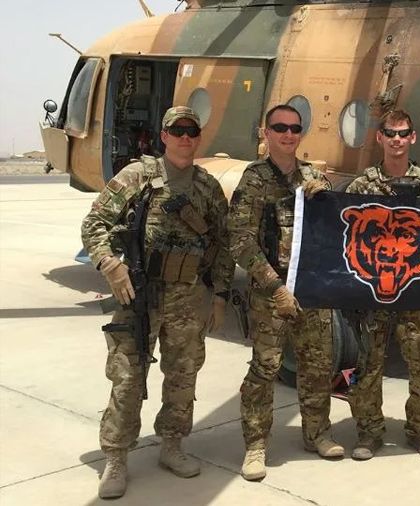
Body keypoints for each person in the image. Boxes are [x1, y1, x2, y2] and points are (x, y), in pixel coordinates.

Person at [82, 106, 234, 499]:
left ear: (199, 137)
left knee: (182, 377)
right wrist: (111, 267)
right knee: (128, 378)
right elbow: (93, 223)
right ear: (163, 136)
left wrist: (218, 296)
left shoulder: (207, 187)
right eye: (177, 130)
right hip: (140, 293)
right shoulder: (137, 177)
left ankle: (172, 445)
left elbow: (223, 245)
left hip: (188, 295)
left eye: (192, 130)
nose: (185, 137)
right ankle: (116, 457)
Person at [228, 104, 337, 481]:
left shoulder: (313, 176)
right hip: (270, 294)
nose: (288, 134)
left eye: (294, 128)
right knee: (266, 368)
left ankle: (317, 433)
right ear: (266, 132)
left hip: (310, 290)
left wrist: (327, 197)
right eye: (280, 128)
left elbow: (332, 234)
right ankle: (256, 445)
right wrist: (275, 287)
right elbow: (240, 241)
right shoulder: (254, 180)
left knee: (318, 366)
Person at [343, 109, 420, 460]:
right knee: (369, 364)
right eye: (391, 133)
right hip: (373, 293)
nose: (397, 139)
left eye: (403, 133)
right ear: (380, 137)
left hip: (415, 292)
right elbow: (344, 234)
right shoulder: (362, 185)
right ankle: (368, 433)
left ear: (413, 137)